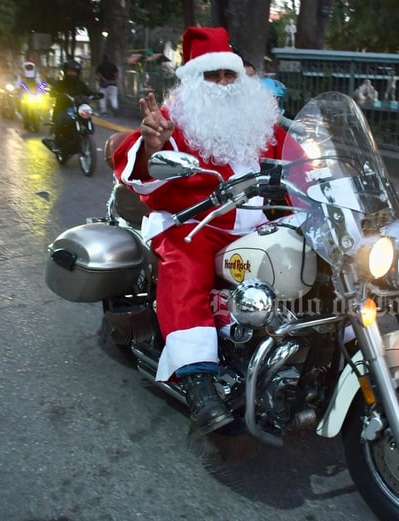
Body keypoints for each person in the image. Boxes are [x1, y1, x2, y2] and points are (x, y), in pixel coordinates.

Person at [111, 26, 287, 434]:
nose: (224, 84)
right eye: (213, 76)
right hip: (193, 222)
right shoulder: (172, 120)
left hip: (257, 226)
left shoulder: (261, 120)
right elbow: (138, 167)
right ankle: (199, 381)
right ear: (193, 80)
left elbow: (297, 162)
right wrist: (153, 145)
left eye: (229, 75)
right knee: (186, 266)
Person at [44, 59, 94, 150]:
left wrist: (95, 94)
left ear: (78, 73)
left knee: (87, 115)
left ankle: (86, 133)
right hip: (62, 108)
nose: (72, 74)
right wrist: (55, 93)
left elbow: (88, 91)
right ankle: (57, 143)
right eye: (70, 71)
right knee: (59, 120)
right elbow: (53, 91)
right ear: (65, 72)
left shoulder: (80, 84)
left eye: (74, 72)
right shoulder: (61, 83)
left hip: (78, 108)